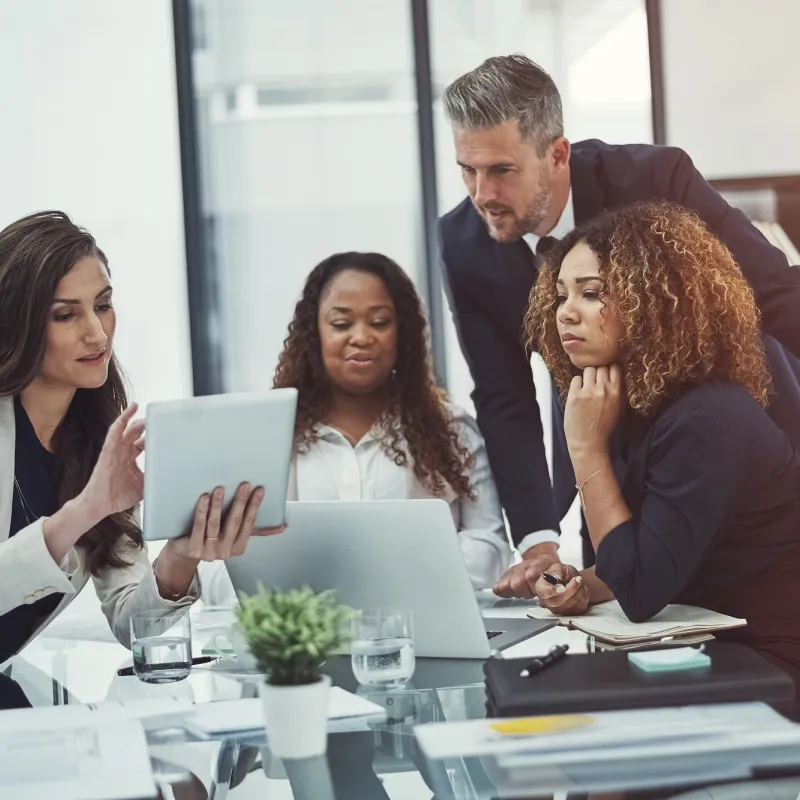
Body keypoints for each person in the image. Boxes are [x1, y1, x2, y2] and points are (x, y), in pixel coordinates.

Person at [438, 54, 800, 593]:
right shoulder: (464, 244)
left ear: (558, 153)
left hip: (735, 449)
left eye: (501, 170)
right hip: (610, 459)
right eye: (468, 169)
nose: (481, 194)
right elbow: (502, 396)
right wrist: (539, 539)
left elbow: (771, 291)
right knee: (629, 599)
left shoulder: (655, 179)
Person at [527, 201, 800, 691]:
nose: (565, 312)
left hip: (770, 660)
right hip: (695, 650)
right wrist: (580, 585)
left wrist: (585, 449)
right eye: (560, 294)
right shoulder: (628, 407)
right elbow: (642, 555)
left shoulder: (709, 418)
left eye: (591, 294)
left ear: (653, 300)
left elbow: (638, 589)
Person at [0, 210, 281, 661]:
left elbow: (134, 624)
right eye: (66, 315)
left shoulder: (100, 444)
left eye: (103, 305)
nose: (97, 333)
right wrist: (84, 510)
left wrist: (183, 552)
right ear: (17, 323)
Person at [200, 251, 512, 606]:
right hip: (302, 641)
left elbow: (490, 547)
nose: (361, 337)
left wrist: (379, 575)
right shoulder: (265, 435)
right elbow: (215, 566)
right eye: (341, 324)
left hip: (422, 628)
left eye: (380, 322)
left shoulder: (450, 428)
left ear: (402, 333)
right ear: (313, 333)